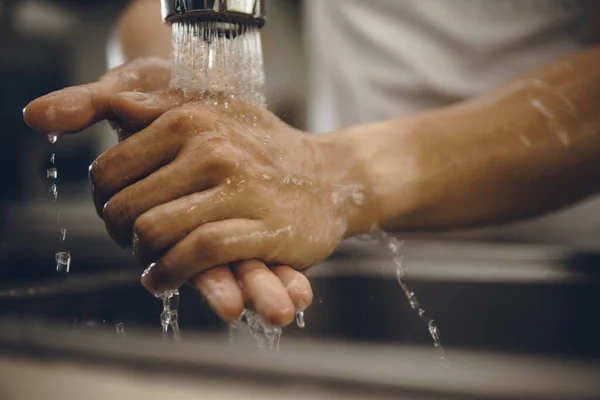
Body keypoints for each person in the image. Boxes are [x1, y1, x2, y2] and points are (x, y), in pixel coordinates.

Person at [23, 0, 600, 327]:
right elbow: (158, 10)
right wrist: (181, 83)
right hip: (337, 244)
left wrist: (338, 173)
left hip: (560, 260)